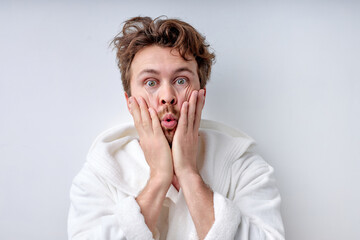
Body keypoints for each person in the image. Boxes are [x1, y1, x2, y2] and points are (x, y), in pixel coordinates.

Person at [67, 16, 284, 240]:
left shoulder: (245, 169)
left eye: (181, 80)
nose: (167, 97)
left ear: (202, 95)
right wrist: (159, 177)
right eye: (151, 82)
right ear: (129, 102)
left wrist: (189, 174)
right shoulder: (99, 174)